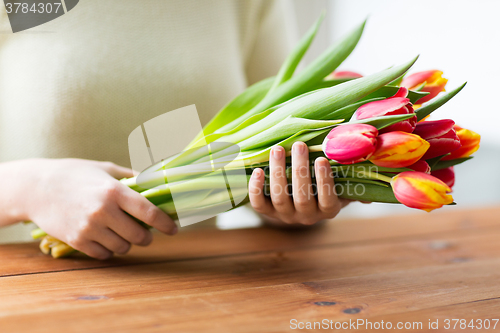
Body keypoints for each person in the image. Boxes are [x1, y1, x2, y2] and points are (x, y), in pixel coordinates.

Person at [0, 0, 349, 259]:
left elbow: (268, 159)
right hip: (31, 290)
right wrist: (32, 188)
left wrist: (295, 206)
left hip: (199, 289)